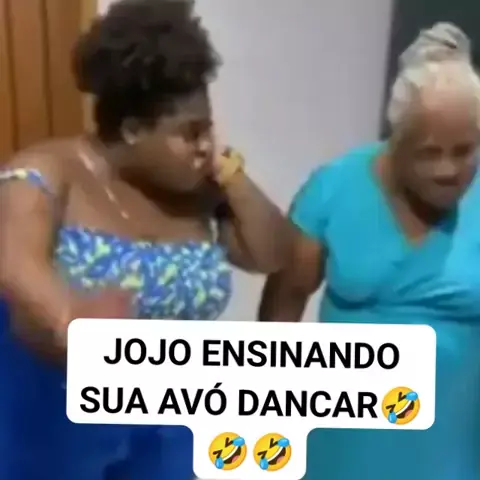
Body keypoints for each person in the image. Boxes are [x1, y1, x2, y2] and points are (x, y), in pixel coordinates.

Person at [0, 0, 294, 479]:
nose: (205, 145)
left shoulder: (198, 191)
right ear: (134, 130)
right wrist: (67, 314)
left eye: (208, 128)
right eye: (189, 133)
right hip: (54, 421)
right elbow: (16, 261)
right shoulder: (46, 172)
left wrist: (230, 173)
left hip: (171, 427)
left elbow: (271, 254)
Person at [259, 22, 480, 480]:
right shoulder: (335, 186)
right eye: (429, 152)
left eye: (464, 151)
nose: (448, 170)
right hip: (340, 447)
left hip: (448, 449)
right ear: (396, 138)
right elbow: (282, 310)